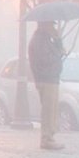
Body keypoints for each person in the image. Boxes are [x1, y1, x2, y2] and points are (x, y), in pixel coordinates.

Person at [29, 20, 66, 150]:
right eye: (51, 25)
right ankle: (47, 138)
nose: (53, 28)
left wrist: (57, 41)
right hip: (46, 79)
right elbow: (45, 59)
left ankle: (50, 136)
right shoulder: (39, 40)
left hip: (51, 78)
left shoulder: (45, 40)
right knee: (48, 110)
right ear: (44, 25)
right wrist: (58, 52)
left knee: (52, 109)